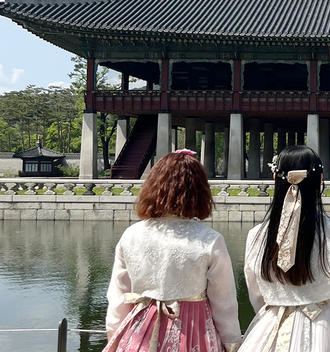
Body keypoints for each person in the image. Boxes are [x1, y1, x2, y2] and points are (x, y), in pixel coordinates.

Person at [103, 149, 242, 352]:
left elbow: (118, 297)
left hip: (139, 334)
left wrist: (114, 335)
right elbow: (224, 303)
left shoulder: (131, 235)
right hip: (194, 333)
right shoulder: (210, 240)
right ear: (199, 191)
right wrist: (232, 343)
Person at [239, 145, 330, 352]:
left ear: (275, 179)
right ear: (320, 180)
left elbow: (256, 293)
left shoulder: (257, 235)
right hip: (328, 328)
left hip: (272, 325)